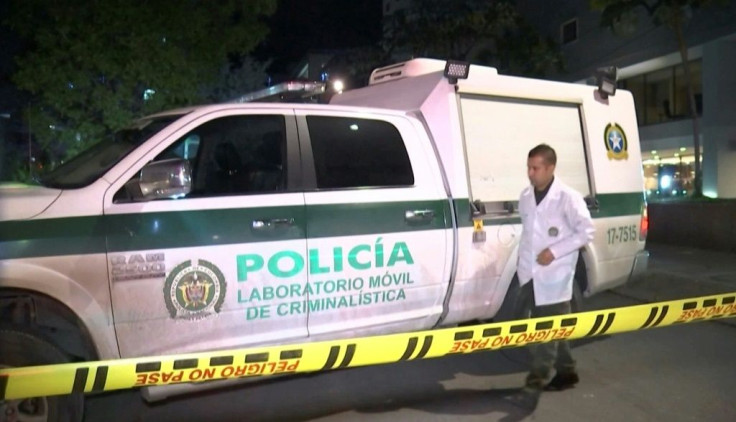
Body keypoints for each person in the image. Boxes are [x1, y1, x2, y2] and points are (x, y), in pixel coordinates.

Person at [507, 143, 595, 410]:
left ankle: (534, 384)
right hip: (529, 274)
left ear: (550, 167)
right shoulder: (525, 196)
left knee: (545, 333)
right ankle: (567, 371)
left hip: (554, 277)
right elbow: (529, 235)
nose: (530, 173)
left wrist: (554, 252)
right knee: (553, 328)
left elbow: (586, 232)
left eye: (535, 168)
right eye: (529, 167)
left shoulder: (568, 198)